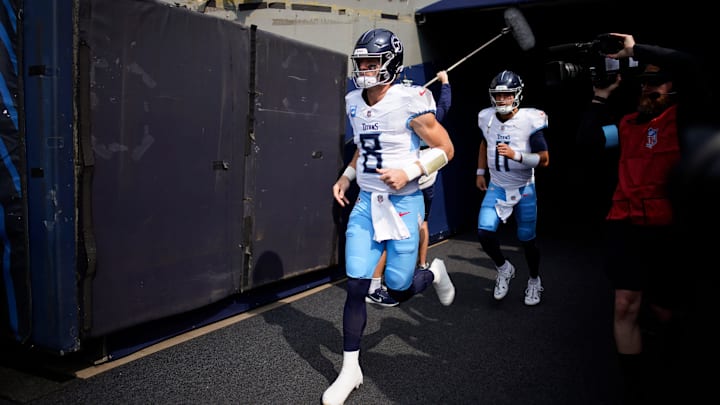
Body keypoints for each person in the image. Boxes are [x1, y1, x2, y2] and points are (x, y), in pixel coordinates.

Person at [324, 29, 456, 405]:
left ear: (391, 65)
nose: (364, 69)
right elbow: (366, 148)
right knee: (357, 285)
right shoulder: (353, 100)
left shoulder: (410, 101)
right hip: (367, 202)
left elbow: (446, 148)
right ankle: (350, 369)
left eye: (372, 62)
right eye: (361, 62)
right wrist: (347, 176)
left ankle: (433, 273)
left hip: (403, 203)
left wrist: (411, 170)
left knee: (397, 288)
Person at [575, 33, 701, 404]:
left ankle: (679, 368)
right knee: (625, 305)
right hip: (625, 225)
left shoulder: (685, 120)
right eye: (644, 81)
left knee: (665, 310)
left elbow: (693, 64)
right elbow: (587, 142)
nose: (649, 88)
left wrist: (634, 49)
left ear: (674, 85)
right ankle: (635, 390)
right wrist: (600, 98)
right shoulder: (627, 125)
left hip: (668, 229)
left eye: (657, 81)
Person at [366, 70, 452, 307]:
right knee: (386, 229)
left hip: (418, 183)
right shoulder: (400, 114)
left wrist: (445, 84)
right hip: (395, 183)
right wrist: (445, 83)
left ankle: (422, 266)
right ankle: (385, 278)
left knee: (410, 226)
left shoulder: (422, 116)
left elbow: (445, 138)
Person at [475, 70, 549, 306]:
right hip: (497, 186)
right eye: (498, 95)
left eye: (507, 95)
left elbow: (544, 159)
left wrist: (516, 155)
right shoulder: (486, 117)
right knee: (484, 232)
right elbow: (484, 143)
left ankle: (535, 280)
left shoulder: (530, 119)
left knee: (527, 240)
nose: (502, 100)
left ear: (517, 95)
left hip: (524, 187)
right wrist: (480, 172)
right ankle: (504, 268)